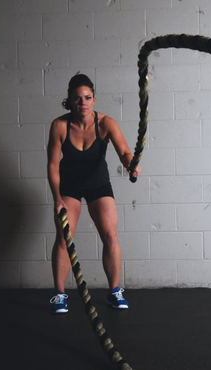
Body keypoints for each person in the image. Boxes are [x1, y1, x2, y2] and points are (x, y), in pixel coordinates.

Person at [47, 73, 140, 313]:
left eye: (87, 97)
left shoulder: (106, 123)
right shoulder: (59, 125)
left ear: (94, 99)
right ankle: (59, 294)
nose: (83, 103)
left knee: (110, 235)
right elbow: (53, 165)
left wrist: (131, 164)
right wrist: (57, 198)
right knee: (64, 237)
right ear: (70, 100)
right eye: (77, 98)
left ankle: (114, 291)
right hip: (69, 187)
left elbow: (124, 152)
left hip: (99, 185)